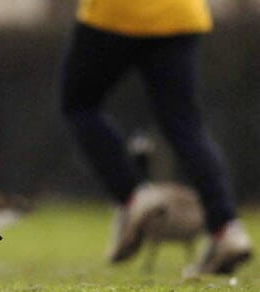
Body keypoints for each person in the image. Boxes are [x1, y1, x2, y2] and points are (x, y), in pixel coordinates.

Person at [60, 0, 252, 276]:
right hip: (180, 12)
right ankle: (227, 229)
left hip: (115, 14)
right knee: (184, 124)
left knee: (79, 105)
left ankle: (134, 196)